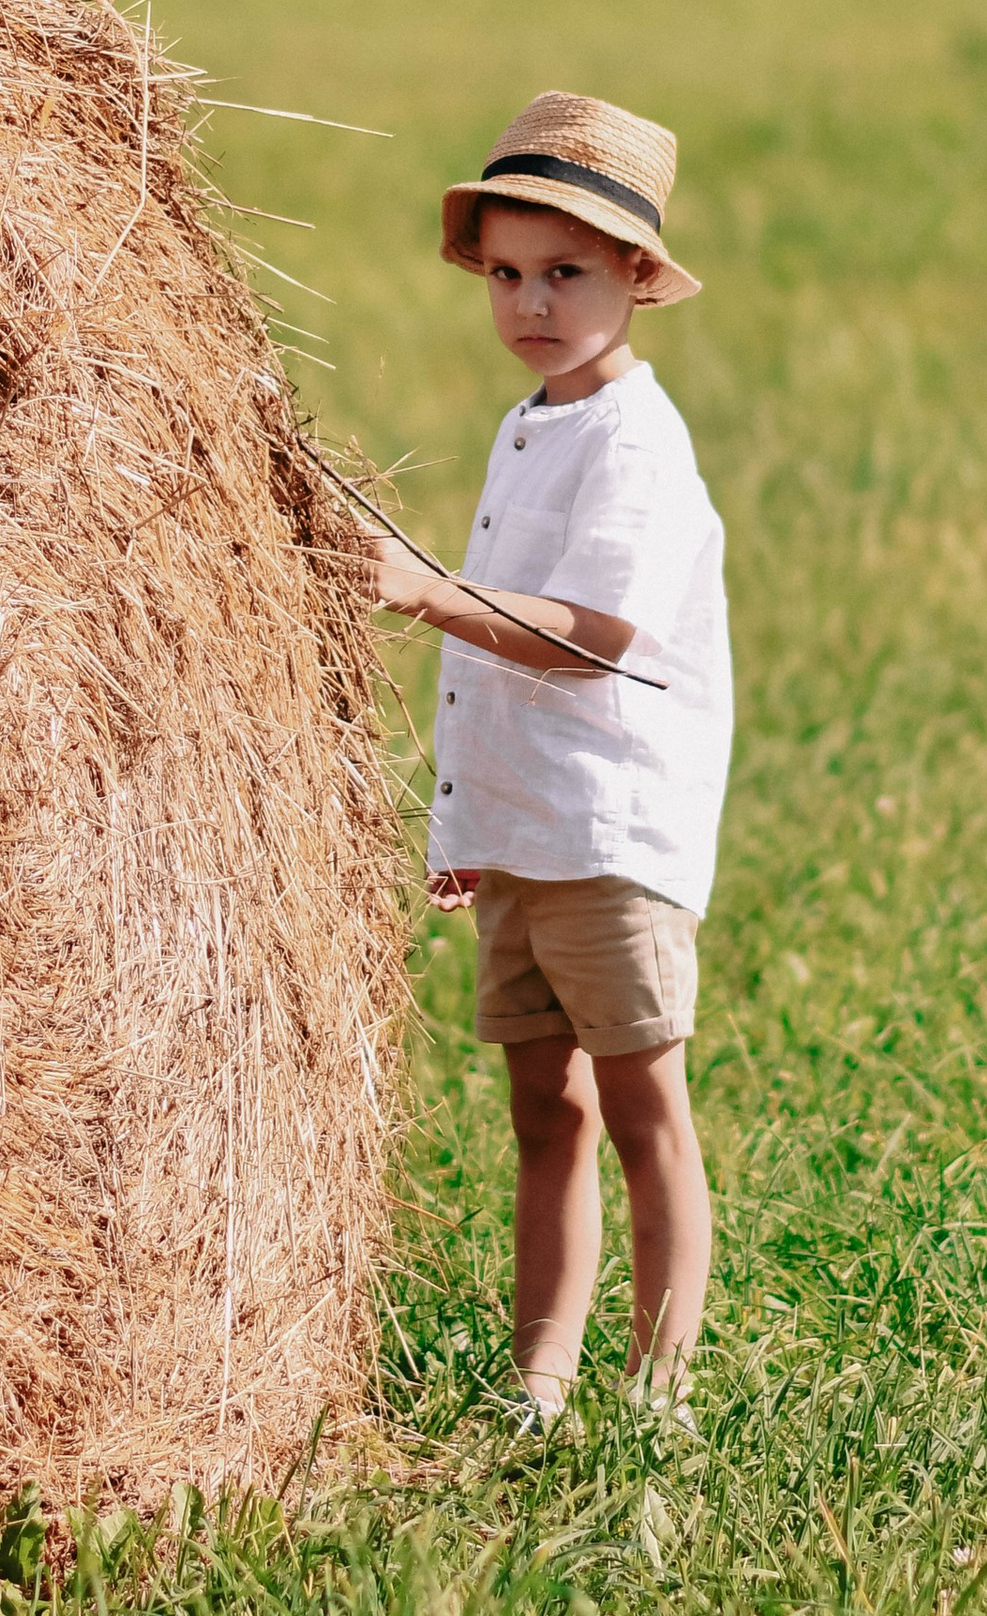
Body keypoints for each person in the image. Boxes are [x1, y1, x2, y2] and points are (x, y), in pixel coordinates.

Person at [360, 89, 732, 1429]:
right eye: (508, 275)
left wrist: (423, 588)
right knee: (543, 1113)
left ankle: (662, 1388)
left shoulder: (636, 440)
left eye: (565, 273)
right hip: (526, 837)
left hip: (610, 834)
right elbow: (494, 669)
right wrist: (466, 824)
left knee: (642, 1113)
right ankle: (543, 1376)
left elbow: (585, 641)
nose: (530, 303)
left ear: (637, 277)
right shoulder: (535, 424)